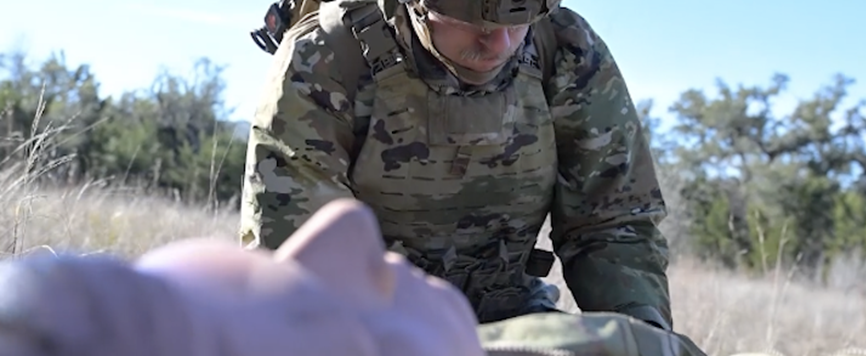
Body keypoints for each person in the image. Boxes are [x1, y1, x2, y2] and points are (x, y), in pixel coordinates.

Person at [241, 0, 673, 330]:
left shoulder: (567, 53)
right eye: (474, 21)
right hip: (368, 329)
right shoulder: (326, 62)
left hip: (510, 326)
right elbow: (297, 278)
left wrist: (640, 335)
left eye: (520, 21)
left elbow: (613, 226)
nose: (501, 43)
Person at [0, 199, 713, 356]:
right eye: (330, 329)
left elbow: (611, 223)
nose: (346, 227)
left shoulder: (570, 57)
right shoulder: (335, 53)